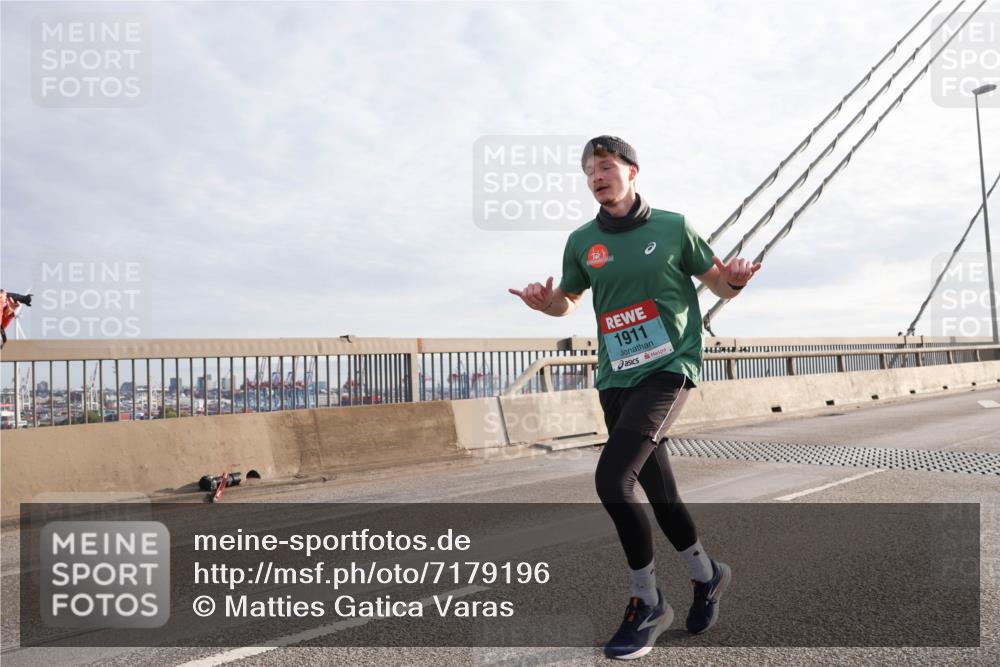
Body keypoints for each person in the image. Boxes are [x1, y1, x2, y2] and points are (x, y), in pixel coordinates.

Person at [509, 136, 761, 660]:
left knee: (612, 479)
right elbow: (568, 303)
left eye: (605, 166)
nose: (596, 176)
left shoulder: (674, 227)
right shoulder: (582, 241)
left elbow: (719, 284)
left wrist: (734, 282)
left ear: (632, 172)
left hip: (669, 370)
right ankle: (708, 575)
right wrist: (544, 305)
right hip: (615, 378)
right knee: (658, 489)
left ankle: (647, 602)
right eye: (588, 171)